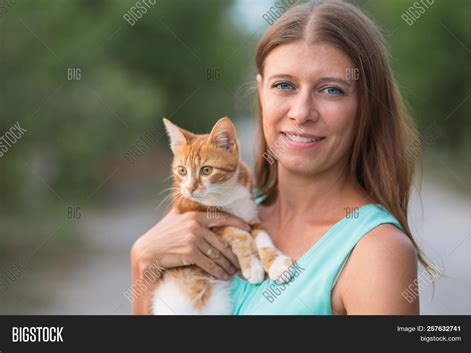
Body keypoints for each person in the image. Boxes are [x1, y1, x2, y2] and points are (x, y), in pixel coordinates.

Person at [131, 0, 428, 315]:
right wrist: (143, 261)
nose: (302, 113)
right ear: (261, 93)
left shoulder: (376, 252)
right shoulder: (207, 214)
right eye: (284, 85)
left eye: (332, 90)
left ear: (367, 105)